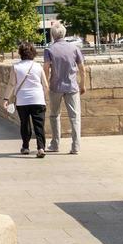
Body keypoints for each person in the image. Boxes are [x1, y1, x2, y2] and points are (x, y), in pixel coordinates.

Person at [43, 23, 85, 154]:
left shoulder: (49, 50)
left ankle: (55, 144)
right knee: (75, 117)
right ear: (64, 34)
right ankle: (75, 146)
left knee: (54, 115)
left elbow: (46, 69)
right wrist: (82, 84)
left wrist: (46, 86)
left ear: (52, 35)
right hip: (72, 86)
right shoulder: (74, 48)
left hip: (55, 86)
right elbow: (82, 68)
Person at [8, 42, 47, 158]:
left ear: (20, 53)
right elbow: (45, 85)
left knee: (25, 124)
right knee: (39, 125)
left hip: (22, 100)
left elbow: (11, 84)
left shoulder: (16, 67)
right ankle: (41, 148)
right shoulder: (38, 66)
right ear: (33, 53)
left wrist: (6, 98)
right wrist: (43, 97)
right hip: (38, 99)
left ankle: (25, 147)